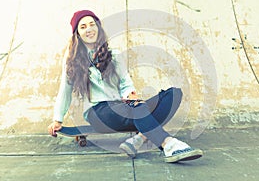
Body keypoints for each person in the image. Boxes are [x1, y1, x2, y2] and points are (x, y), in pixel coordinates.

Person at [48, 10, 203, 163]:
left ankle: (139, 138)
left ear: (98, 28)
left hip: (122, 107)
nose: (89, 29)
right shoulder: (72, 60)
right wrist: (58, 119)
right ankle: (168, 144)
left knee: (173, 94)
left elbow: (125, 83)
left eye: (92, 24)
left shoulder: (113, 55)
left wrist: (130, 94)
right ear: (77, 34)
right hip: (98, 112)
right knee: (137, 108)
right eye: (83, 27)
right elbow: (65, 91)